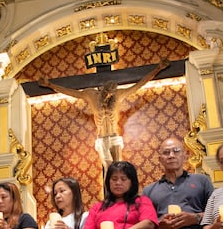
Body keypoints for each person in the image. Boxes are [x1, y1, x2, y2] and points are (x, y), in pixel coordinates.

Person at [38, 60, 169, 166]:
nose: (110, 96)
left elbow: (138, 85)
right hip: (101, 137)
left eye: (112, 93)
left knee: (119, 167)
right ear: (103, 91)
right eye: (108, 93)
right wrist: (50, 85)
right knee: (107, 168)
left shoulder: (118, 94)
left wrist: (157, 69)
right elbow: (71, 92)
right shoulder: (91, 95)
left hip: (114, 135)